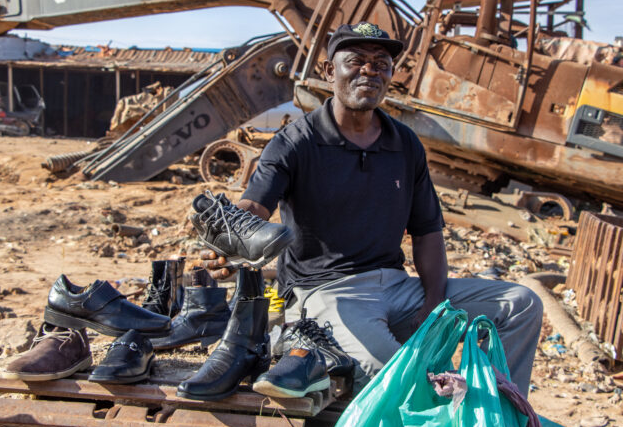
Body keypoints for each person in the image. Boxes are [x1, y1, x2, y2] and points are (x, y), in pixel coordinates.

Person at [201, 21, 543, 396]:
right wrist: (232, 237)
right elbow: (255, 205)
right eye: (357, 60)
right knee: (401, 377)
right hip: (325, 292)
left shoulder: (404, 143)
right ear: (330, 71)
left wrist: (433, 301)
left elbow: (427, 231)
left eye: (381, 63)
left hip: (395, 286)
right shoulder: (296, 142)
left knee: (521, 304)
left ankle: (495, 410)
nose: (370, 70)